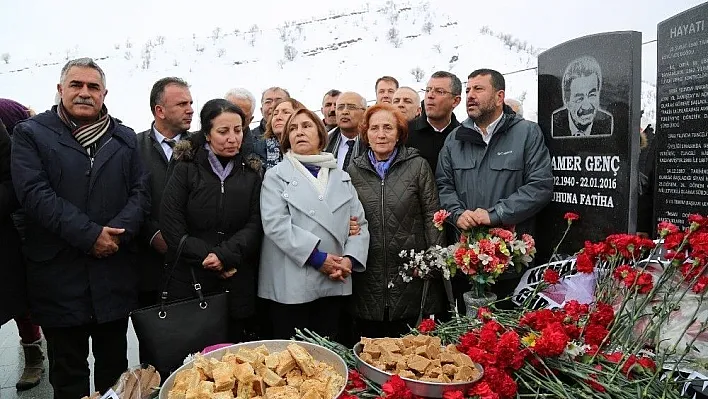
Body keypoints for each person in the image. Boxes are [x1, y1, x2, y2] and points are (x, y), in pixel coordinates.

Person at [11, 58, 149, 399]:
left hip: (112, 274)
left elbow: (141, 193)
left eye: (93, 87)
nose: (84, 93)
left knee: (114, 375)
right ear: (60, 90)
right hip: (59, 277)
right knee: (68, 375)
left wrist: (115, 234)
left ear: (104, 94)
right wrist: (90, 236)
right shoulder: (30, 134)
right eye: (76, 85)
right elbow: (33, 194)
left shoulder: (125, 138)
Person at [436, 68, 553, 312]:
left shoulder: (526, 133)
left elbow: (539, 186)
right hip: (466, 263)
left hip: (511, 265)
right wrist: (458, 214)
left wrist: (496, 214)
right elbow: (444, 185)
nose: (470, 95)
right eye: (468, 90)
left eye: (478, 89)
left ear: (499, 97)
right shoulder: (455, 139)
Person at [258, 107, 370, 341]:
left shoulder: (341, 176)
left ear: (321, 135)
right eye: (293, 128)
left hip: (336, 279)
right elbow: (276, 225)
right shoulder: (276, 176)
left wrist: (348, 259)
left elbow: (359, 224)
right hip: (293, 284)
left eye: (306, 126)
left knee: (331, 356)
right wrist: (318, 259)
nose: (299, 132)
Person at [160, 99, 263, 344]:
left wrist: (226, 255)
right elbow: (171, 221)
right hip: (192, 276)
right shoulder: (186, 168)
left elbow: (256, 223)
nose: (232, 138)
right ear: (207, 134)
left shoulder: (250, 172)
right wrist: (209, 256)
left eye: (237, 130)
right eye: (223, 131)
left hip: (237, 278)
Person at [348, 104, 446, 338]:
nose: (381, 134)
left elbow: (432, 216)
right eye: (374, 128)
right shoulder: (353, 171)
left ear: (399, 133)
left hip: (410, 272)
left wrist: (432, 262)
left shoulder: (417, 166)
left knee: (408, 349)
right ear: (366, 134)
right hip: (368, 273)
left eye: (388, 128)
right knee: (370, 347)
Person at [136, 78, 193, 308]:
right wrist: (151, 234)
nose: (190, 110)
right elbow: (124, 198)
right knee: (156, 339)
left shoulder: (201, 147)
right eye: (181, 104)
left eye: (190, 103)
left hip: (192, 265)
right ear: (159, 110)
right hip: (148, 267)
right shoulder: (132, 147)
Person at [0, 99, 45, 391]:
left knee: (17, 294)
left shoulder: (6, 111)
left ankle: (33, 352)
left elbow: (12, 178)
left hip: (7, 225)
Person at [407, 71, 462, 172]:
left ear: (455, 101)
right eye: (428, 90)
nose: (430, 96)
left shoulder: (463, 137)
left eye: (439, 91)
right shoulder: (406, 133)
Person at [551, 55, 613, 138]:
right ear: (566, 100)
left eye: (592, 95)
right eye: (579, 98)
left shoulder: (606, 122)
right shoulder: (556, 122)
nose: (586, 107)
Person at [253, 98, 305, 172]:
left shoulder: (311, 148)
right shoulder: (256, 150)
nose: (278, 117)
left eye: (286, 112)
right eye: (275, 114)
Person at [324, 92, 367, 170]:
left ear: (364, 112)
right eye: (340, 108)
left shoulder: (372, 143)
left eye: (351, 107)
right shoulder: (324, 142)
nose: (344, 112)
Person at [225, 88, 257, 156]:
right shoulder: (198, 143)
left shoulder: (259, 148)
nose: (235, 119)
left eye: (242, 116)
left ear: (250, 120)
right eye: (231, 113)